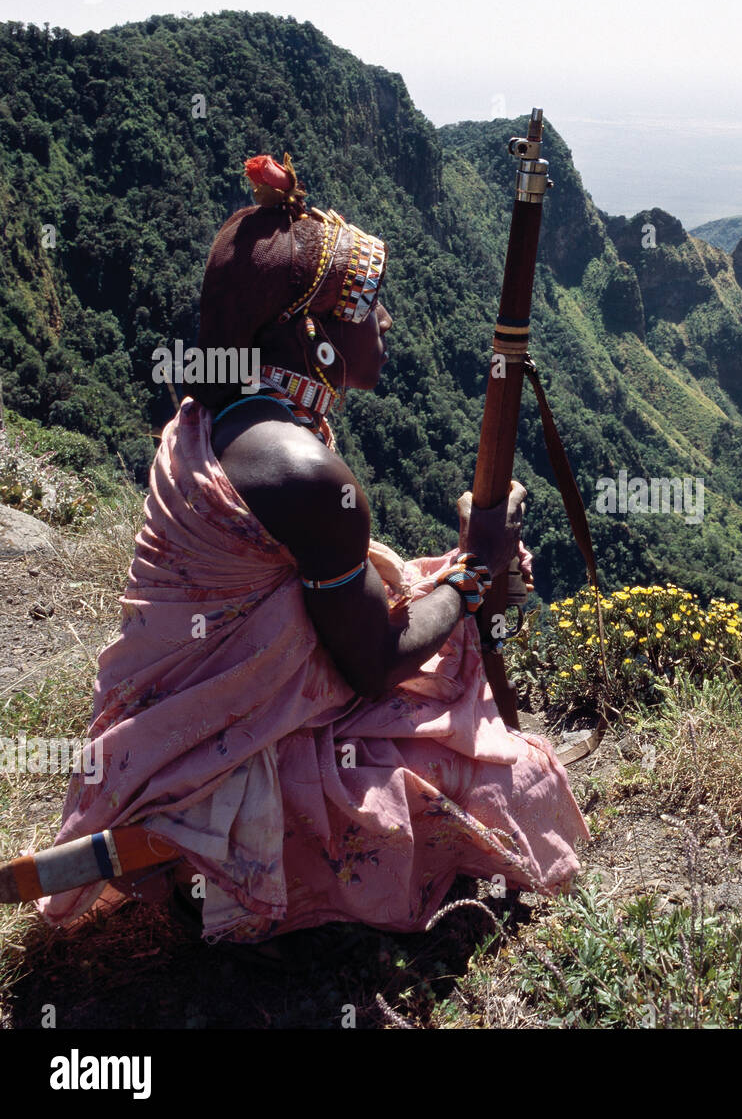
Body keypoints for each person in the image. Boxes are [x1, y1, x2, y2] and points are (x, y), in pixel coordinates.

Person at [38, 154, 588, 943]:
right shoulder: (303, 471)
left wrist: (461, 574)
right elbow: (370, 660)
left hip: (166, 734)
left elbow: (313, 606)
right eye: (366, 303)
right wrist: (471, 573)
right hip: (221, 770)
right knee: (521, 782)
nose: (388, 319)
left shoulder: (225, 415)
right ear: (310, 335)